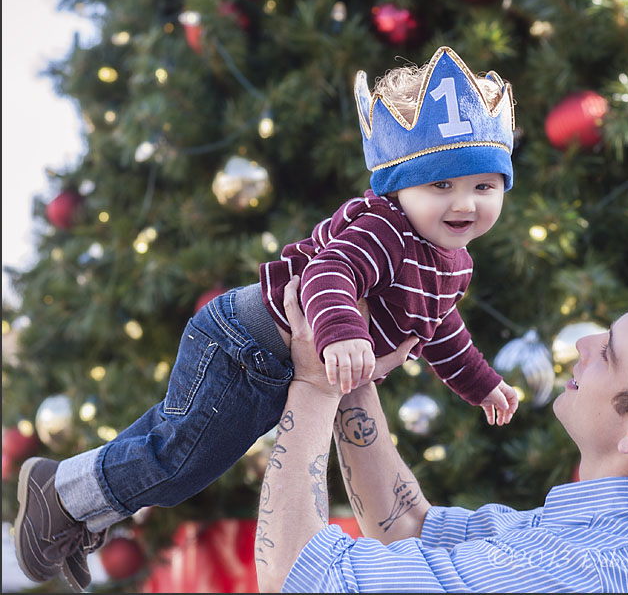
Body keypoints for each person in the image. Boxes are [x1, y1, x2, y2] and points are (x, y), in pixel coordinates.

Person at [13, 46, 519, 592]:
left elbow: (441, 329)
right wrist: (344, 334)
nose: (464, 202)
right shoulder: (385, 230)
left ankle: (73, 512)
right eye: (440, 185)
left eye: (483, 186)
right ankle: (62, 492)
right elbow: (330, 274)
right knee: (183, 457)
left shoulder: (453, 262)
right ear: (397, 187)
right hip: (241, 340)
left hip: (269, 360)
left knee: (179, 445)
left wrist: (483, 384)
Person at [255, 276, 628, 593]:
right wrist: (352, 369)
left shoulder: (584, 571)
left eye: (609, 354)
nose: (584, 343)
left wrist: (314, 384)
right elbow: (412, 529)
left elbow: (297, 579)